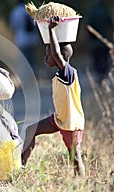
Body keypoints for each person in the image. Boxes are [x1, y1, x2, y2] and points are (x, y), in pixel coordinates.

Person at [21, 16, 86, 177]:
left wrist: (51, 29)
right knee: (31, 130)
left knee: (75, 157)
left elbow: (57, 53)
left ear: (59, 58)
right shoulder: (59, 75)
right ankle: (20, 167)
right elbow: (56, 54)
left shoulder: (68, 72)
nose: (45, 57)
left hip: (71, 123)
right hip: (59, 119)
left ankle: (82, 185)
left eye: (47, 54)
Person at [9, 0, 39, 78]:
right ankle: (34, 76)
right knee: (32, 59)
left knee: (24, 60)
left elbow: (13, 26)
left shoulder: (16, 11)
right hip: (32, 38)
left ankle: (27, 78)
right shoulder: (29, 10)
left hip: (21, 39)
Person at [87, 0, 113, 83]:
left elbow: (88, 26)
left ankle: (99, 76)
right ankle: (105, 76)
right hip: (104, 41)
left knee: (96, 60)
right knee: (105, 59)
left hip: (94, 42)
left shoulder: (91, 12)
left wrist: (90, 38)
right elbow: (111, 25)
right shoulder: (105, 11)